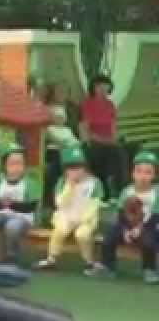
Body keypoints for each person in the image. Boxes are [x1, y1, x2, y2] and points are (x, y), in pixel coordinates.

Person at [85, 150, 159, 283]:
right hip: (128, 226)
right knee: (109, 236)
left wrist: (140, 229)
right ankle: (107, 267)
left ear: (154, 175)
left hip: (150, 226)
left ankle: (149, 269)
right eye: (139, 172)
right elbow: (121, 214)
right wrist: (125, 230)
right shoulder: (127, 191)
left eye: (148, 172)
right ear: (133, 174)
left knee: (149, 241)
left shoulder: (156, 192)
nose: (143, 176)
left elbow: (155, 216)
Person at [36, 146, 103, 271]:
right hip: (66, 215)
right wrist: (70, 187)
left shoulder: (94, 182)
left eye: (78, 167)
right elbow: (59, 203)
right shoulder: (62, 182)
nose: (75, 171)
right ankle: (51, 259)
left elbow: (95, 204)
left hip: (86, 218)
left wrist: (84, 219)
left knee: (82, 234)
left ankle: (89, 261)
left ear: (85, 167)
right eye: (71, 168)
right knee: (60, 230)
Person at [0, 144, 40, 265]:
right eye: (12, 164)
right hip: (0, 214)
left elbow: (30, 207)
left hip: (22, 217)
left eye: (20, 163)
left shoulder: (30, 183)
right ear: (5, 166)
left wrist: (10, 204)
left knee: (12, 227)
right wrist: (3, 204)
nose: (16, 167)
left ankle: (12, 256)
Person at [79, 74, 125, 200]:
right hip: (94, 141)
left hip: (109, 142)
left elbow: (113, 128)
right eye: (100, 87)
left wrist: (114, 139)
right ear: (94, 88)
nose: (104, 90)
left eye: (106, 87)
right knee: (115, 152)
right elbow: (85, 130)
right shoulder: (87, 104)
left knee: (122, 150)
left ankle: (120, 189)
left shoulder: (110, 105)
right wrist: (104, 140)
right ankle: (111, 189)